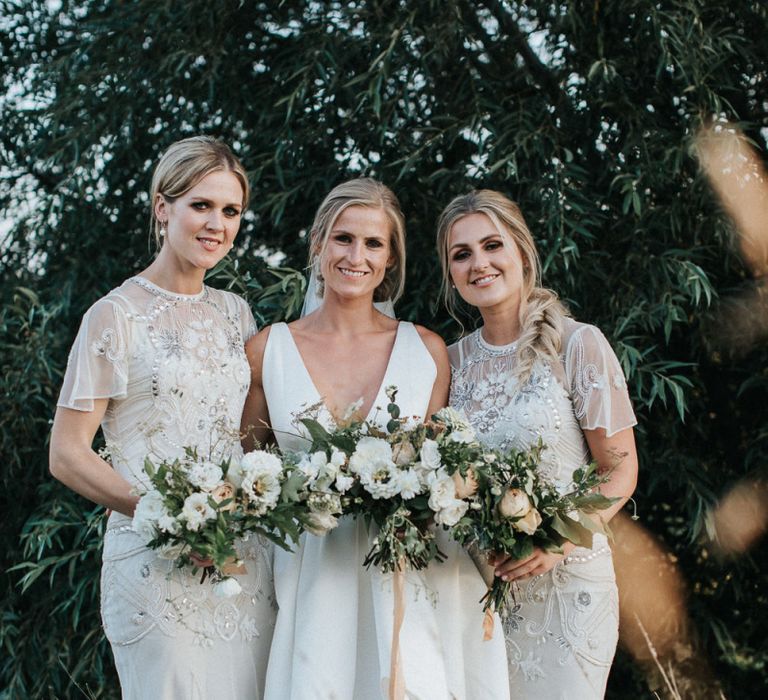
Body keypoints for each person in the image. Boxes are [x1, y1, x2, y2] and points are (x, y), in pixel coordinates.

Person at [242, 178, 510, 699]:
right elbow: (255, 478)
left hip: (418, 581)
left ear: (390, 261)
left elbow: (443, 476)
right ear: (317, 243)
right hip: (314, 588)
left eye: (374, 244)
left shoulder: (426, 351)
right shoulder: (267, 352)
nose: (356, 256)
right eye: (343, 239)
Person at [49, 136, 276, 699]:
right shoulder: (114, 316)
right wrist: (165, 516)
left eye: (230, 211)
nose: (216, 224)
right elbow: (67, 454)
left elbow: (247, 438)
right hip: (153, 564)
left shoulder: (236, 314)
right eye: (201, 205)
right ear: (162, 208)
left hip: (238, 560)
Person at [436, 189, 639, 699]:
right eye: (462, 254)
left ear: (521, 252)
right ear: (451, 272)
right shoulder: (450, 364)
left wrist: (559, 540)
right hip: (480, 592)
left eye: (491, 245)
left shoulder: (577, 344)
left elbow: (619, 470)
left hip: (569, 590)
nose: (479, 263)